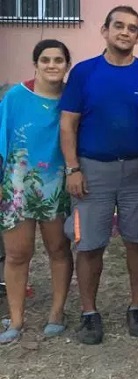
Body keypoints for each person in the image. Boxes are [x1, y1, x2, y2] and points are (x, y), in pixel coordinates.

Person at [59, 5, 138, 345]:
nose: (124, 32)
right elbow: (68, 123)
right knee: (90, 244)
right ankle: (89, 313)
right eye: (118, 26)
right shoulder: (84, 73)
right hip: (93, 170)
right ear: (105, 31)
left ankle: (136, 307)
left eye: (132, 28)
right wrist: (73, 168)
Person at [0, 40, 75, 344]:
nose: (52, 65)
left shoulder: (72, 97)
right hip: (17, 183)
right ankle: (16, 320)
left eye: (59, 60)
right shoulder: (16, 96)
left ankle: (56, 313)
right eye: (45, 60)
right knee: (18, 254)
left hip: (57, 182)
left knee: (58, 249)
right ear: (36, 64)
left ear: (67, 65)